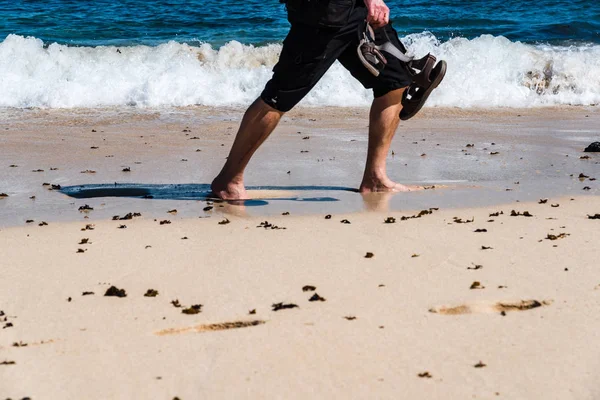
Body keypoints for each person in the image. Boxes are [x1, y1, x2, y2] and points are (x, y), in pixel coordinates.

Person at [211, 0, 445, 200]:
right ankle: (228, 180)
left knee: (395, 80)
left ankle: (375, 177)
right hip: (323, 13)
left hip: (355, 10)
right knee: (279, 96)